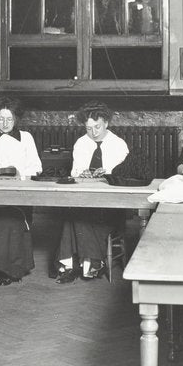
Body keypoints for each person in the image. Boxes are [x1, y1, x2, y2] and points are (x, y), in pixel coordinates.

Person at [54, 102, 129, 283]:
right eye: (89, 128)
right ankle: (82, 264)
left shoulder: (119, 144)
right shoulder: (81, 143)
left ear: (106, 124)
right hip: (85, 197)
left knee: (80, 218)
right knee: (72, 215)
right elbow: (74, 171)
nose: (94, 133)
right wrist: (82, 173)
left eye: (97, 127)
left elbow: (125, 175)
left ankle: (80, 264)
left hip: (110, 203)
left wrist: (108, 173)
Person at [0, 97, 42, 285]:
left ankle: (11, 270)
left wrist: (19, 172)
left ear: (16, 119)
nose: (5, 123)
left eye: (9, 119)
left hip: (18, 195)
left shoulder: (26, 138)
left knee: (10, 219)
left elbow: (36, 167)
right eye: (1, 119)